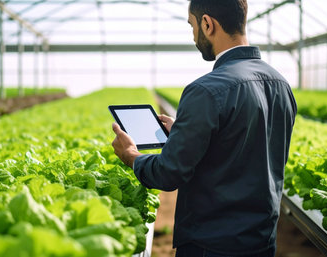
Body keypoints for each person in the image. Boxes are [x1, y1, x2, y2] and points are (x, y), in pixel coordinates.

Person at [111, 0, 297, 256]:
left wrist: (131, 155)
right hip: (262, 241)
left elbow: (168, 174)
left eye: (192, 26)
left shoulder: (206, 90)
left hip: (211, 245)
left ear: (207, 24)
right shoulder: (281, 84)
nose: (194, 36)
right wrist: (187, 131)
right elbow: (245, 148)